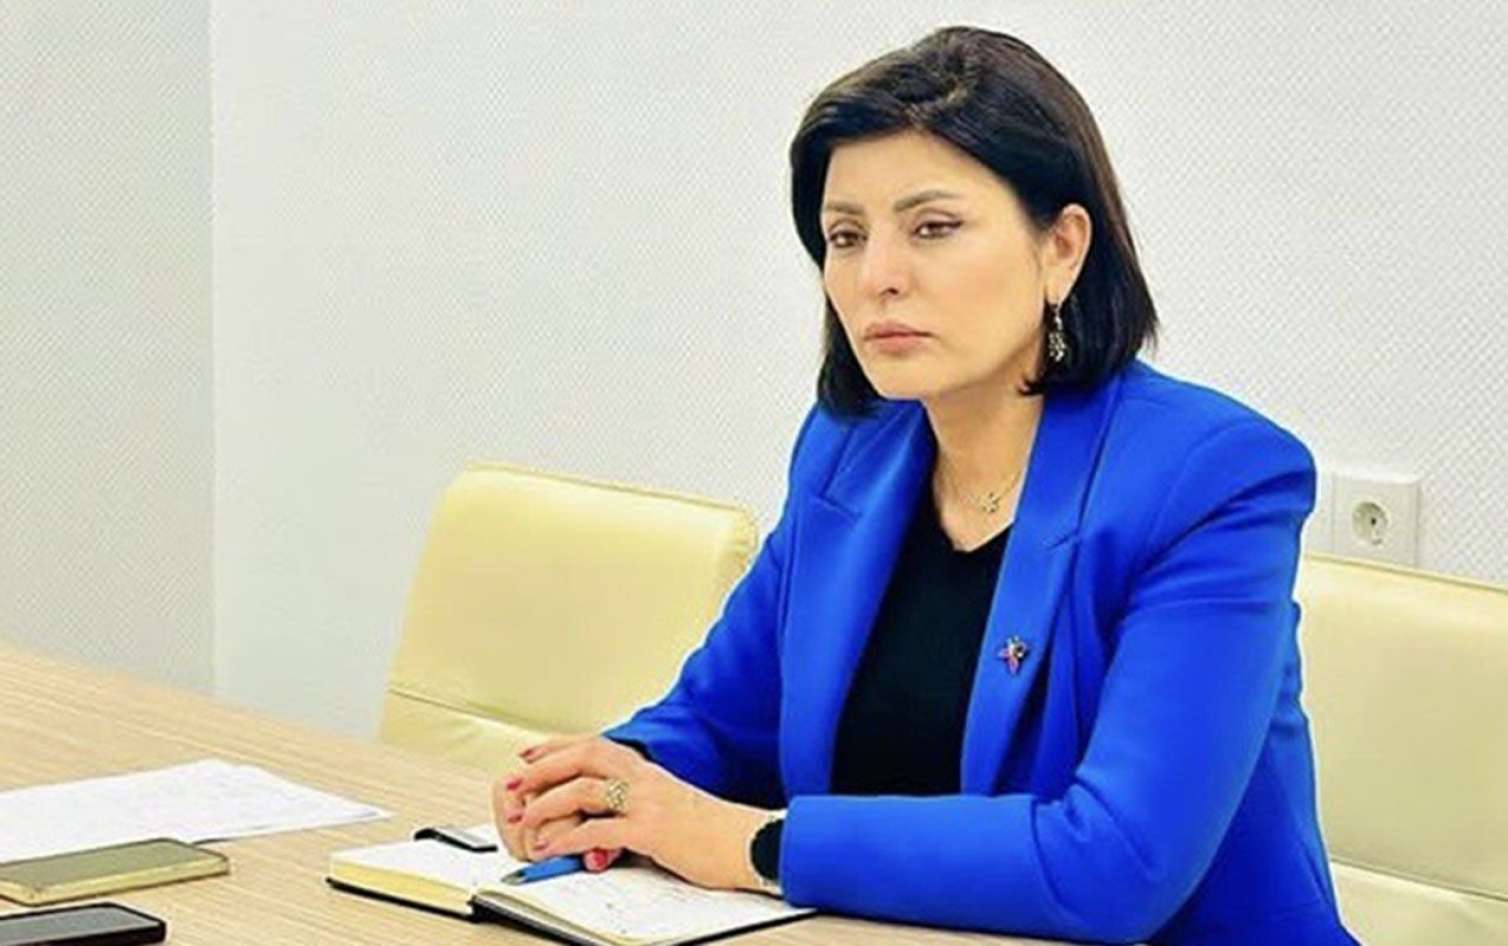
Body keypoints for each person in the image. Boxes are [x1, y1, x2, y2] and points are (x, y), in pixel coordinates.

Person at [490, 25, 1360, 946]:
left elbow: (1114, 865)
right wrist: (602, 785)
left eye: (932, 228)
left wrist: (753, 845)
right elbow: (718, 723)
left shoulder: (1208, 479)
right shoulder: (850, 450)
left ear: (1061, 248)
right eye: (845, 236)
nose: (877, 278)